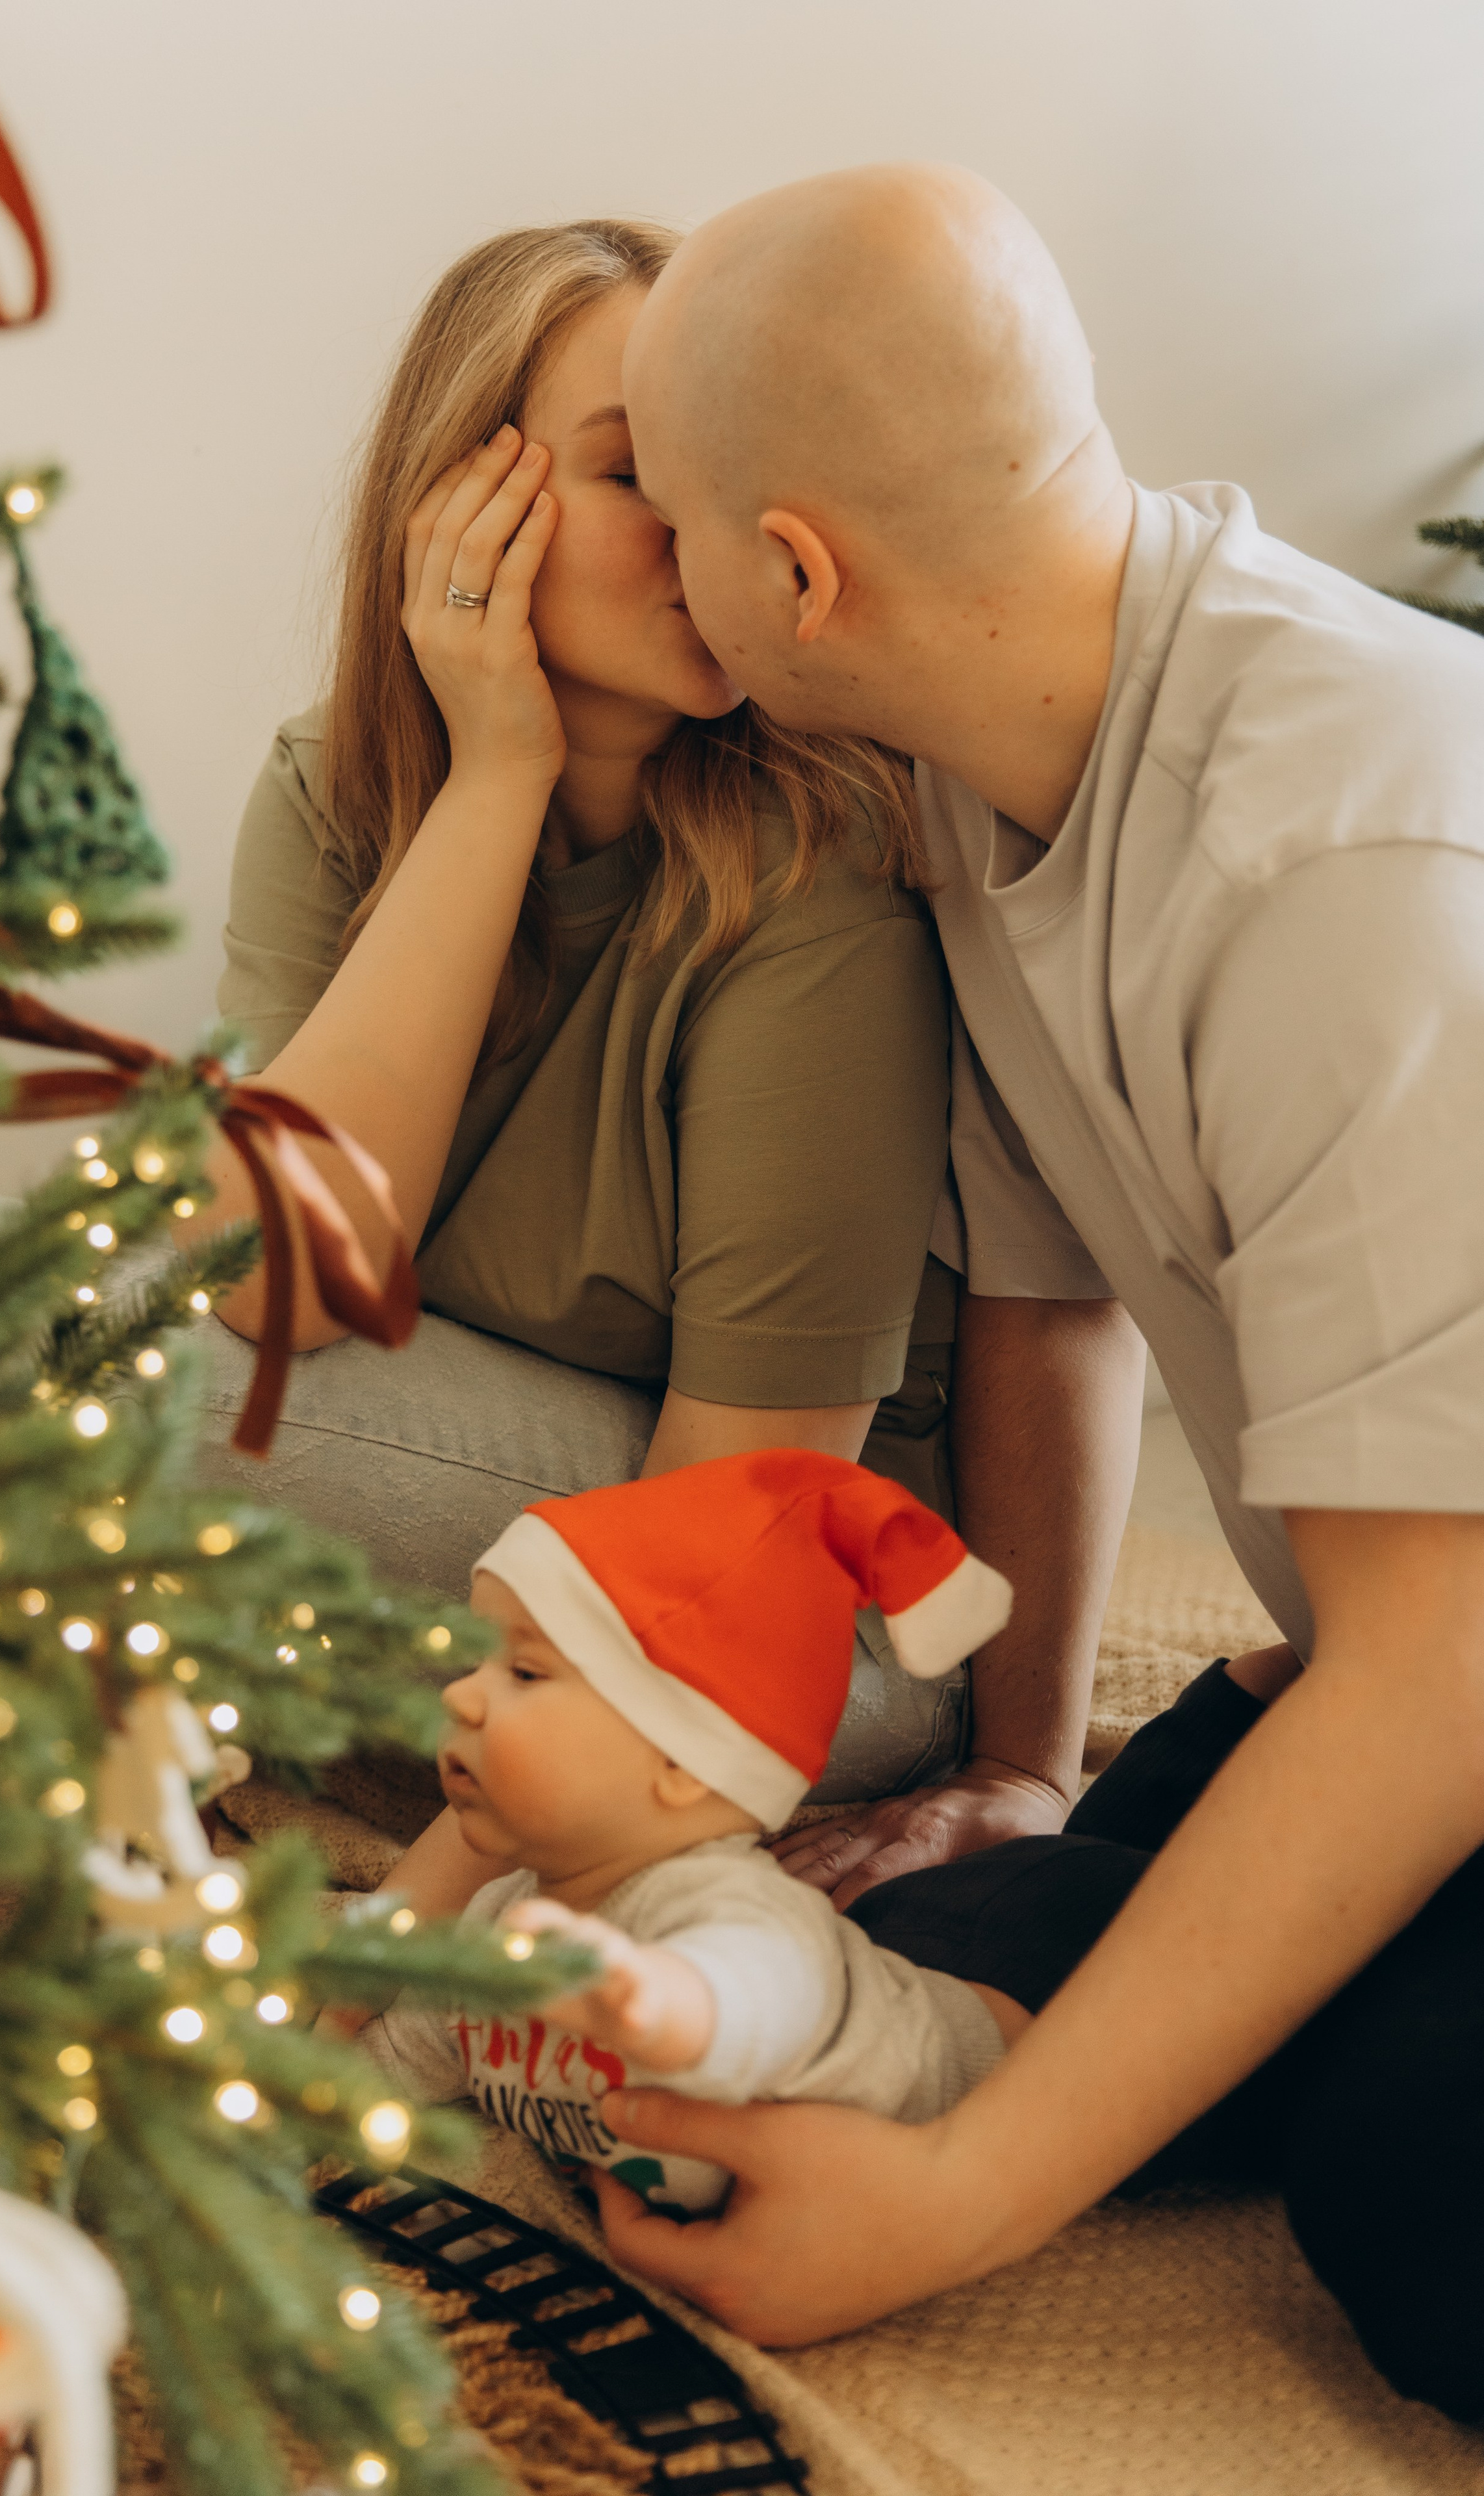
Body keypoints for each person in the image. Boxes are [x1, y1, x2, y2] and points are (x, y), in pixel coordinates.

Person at [587, 164, 1484, 2417]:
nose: (666, 566)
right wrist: (1024, 1763)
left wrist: (966, 2202)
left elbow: (1442, 1668)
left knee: (1418, 2191)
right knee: (905, 1959)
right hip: (1392, 1641)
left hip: (1439, 1658)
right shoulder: (992, 770)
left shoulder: (1344, 844)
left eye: (666, 513)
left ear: (794, 572)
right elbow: (1056, 1295)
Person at [198, 216, 1142, 1886]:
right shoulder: (335, 785)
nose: (706, 536)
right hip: (498, 1504)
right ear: (459, 502)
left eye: (731, 476)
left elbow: (737, 1508)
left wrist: (378, 1969)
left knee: (50, 1380)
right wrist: (493, 776)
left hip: (802, 1626)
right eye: (639, 473)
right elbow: (278, 1272)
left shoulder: (819, 860)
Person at [361, 1450, 1023, 2215]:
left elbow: (750, 1995)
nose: (463, 1698)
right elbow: (397, 2058)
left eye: (525, 1673)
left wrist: (657, 2002)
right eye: (475, 1662)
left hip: (1017, 2054)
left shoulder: (741, 1919)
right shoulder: (499, 1923)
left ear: (682, 1760)